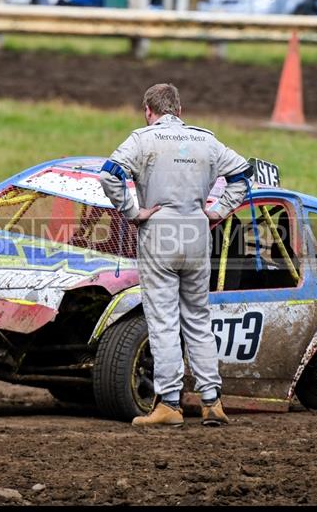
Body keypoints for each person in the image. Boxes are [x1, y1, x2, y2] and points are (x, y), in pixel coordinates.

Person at [99, 83, 251, 427]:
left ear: (148, 111)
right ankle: (212, 402)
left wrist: (133, 211)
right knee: (198, 318)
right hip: (198, 232)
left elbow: (110, 174)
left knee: (164, 319)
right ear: (179, 111)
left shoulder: (142, 139)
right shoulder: (207, 140)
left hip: (159, 233)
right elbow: (242, 175)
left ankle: (169, 403)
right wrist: (218, 211)